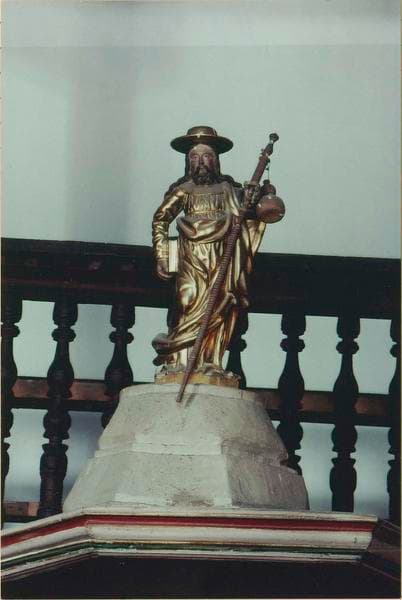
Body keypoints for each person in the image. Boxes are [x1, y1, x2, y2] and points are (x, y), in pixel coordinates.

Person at [152, 126, 266, 385]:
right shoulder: (184, 189)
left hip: (221, 258)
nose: (201, 161)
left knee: (220, 307)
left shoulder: (228, 189)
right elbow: (160, 219)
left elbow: (250, 213)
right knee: (186, 300)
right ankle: (180, 362)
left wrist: (255, 198)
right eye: (195, 156)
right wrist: (162, 255)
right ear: (188, 161)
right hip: (191, 258)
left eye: (207, 156)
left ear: (216, 160)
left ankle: (211, 362)